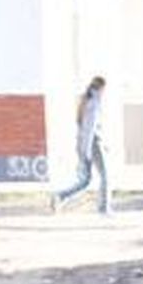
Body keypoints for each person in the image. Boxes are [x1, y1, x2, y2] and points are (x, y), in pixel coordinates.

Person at [53, 76, 110, 214]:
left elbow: (82, 127)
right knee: (105, 176)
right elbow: (90, 129)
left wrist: (82, 149)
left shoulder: (85, 101)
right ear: (101, 88)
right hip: (93, 143)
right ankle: (103, 209)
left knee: (86, 180)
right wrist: (87, 152)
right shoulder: (94, 103)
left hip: (84, 143)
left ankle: (60, 196)